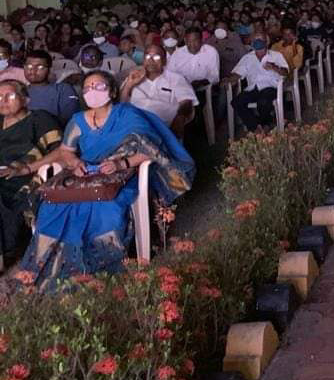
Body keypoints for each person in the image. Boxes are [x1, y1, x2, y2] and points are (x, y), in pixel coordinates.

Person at [12, 71, 194, 289]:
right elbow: (66, 151)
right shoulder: (78, 120)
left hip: (121, 177)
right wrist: (75, 163)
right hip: (83, 176)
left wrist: (121, 164)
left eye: (98, 86)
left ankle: (100, 271)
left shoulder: (127, 115)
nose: (92, 91)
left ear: (113, 91)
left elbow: (151, 149)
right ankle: (55, 269)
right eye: (87, 88)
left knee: (107, 208)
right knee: (52, 207)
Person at [0, 81, 61, 265]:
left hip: (26, 175)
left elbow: (61, 152)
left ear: (25, 99)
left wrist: (25, 168)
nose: (3, 101)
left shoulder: (39, 119)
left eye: (10, 96)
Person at [120, 44, 198, 139]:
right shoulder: (134, 76)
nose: (151, 60)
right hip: (132, 124)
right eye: (147, 56)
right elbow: (121, 103)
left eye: (156, 57)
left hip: (161, 127)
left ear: (164, 61)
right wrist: (129, 85)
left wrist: (180, 118)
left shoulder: (176, 79)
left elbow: (186, 101)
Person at [223, 31, 290, 132]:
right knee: (236, 102)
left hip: (271, 87)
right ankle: (256, 127)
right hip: (253, 88)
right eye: (255, 40)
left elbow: (285, 73)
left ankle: (265, 124)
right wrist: (229, 80)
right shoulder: (247, 57)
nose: (258, 42)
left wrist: (274, 67)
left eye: (260, 40)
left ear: (267, 42)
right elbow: (238, 73)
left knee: (263, 101)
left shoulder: (276, 56)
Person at [22, 50, 80, 127]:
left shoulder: (63, 90)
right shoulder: (20, 92)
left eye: (40, 67)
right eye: (29, 66)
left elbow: (71, 121)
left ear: (49, 69)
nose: (33, 70)